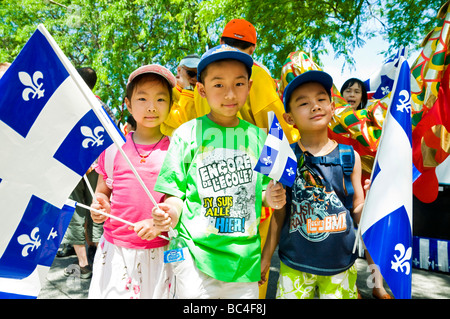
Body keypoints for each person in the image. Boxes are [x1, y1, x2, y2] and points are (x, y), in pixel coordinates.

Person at [151, 44, 286, 299]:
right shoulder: (186, 134)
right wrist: (170, 211)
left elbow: (266, 194)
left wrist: (273, 196)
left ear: (249, 86)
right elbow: (174, 194)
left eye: (238, 83)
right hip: (194, 257)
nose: (229, 93)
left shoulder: (261, 137)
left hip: (244, 263)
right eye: (218, 84)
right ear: (201, 90)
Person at [260, 70, 369, 299]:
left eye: (321, 99)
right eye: (303, 103)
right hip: (294, 265)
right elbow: (278, 215)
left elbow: (357, 210)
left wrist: (370, 205)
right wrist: (266, 257)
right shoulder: (285, 156)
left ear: (332, 107)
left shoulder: (350, 156)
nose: (315, 106)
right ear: (289, 118)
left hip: (341, 265)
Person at [88, 64, 175, 298]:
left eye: (160, 99)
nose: (151, 107)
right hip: (115, 251)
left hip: (159, 251)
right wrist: (99, 205)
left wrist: (159, 223)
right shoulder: (113, 149)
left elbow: (181, 202)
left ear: (171, 105)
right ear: (128, 103)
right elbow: (102, 191)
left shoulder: (177, 150)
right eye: (142, 98)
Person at [61, 67, 109, 278]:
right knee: (97, 210)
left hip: (71, 166)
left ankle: (84, 265)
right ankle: (99, 259)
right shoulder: (102, 106)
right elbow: (108, 136)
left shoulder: (65, 105)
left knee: (76, 212)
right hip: (95, 167)